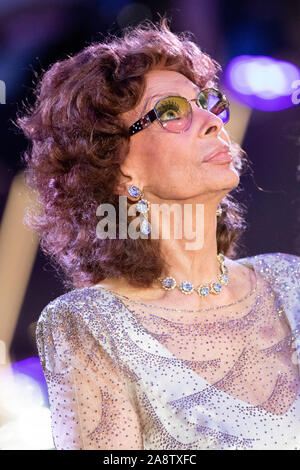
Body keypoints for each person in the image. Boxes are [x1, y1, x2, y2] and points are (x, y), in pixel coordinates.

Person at [16, 17, 300, 450]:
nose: (211, 119)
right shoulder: (90, 325)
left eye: (207, 102)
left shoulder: (290, 282)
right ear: (116, 162)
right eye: (171, 112)